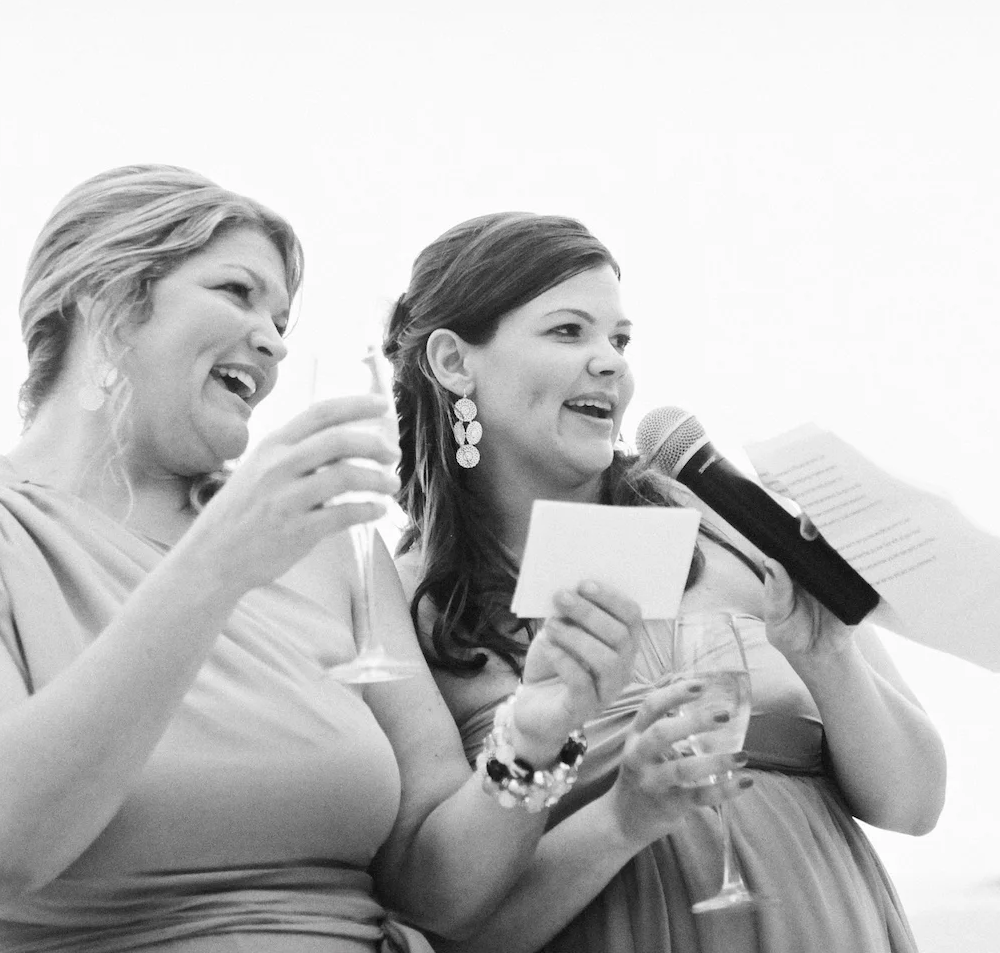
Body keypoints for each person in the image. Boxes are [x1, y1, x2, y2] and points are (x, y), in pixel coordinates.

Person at [0, 167, 649, 953]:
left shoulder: (330, 548)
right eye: (237, 293)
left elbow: (441, 892)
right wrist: (216, 567)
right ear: (105, 302)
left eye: (281, 321)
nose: (273, 343)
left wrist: (532, 738)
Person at [382, 211, 948, 952]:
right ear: (454, 361)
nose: (610, 363)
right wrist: (619, 818)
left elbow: (914, 803)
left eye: (619, 340)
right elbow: (448, 920)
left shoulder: (725, 521)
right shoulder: (402, 600)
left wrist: (827, 655)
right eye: (568, 332)